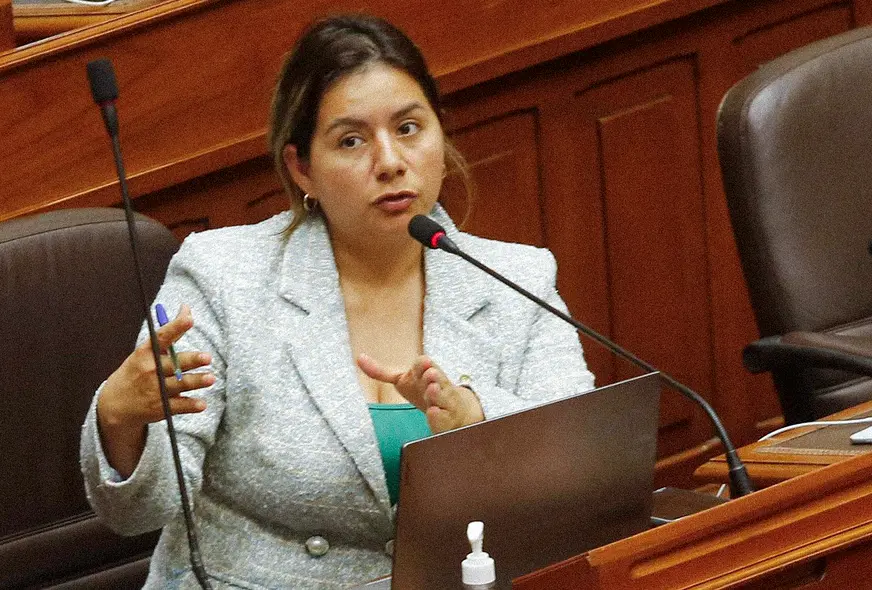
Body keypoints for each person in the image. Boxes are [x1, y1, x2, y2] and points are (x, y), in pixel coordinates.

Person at [80, 13, 594, 589]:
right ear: (302, 168)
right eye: (351, 140)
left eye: (408, 128)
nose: (391, 161)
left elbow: (582, 477)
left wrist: (478, 420)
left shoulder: (515, 278)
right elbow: (141, 511)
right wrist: (120, 416)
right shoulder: (222, 277)